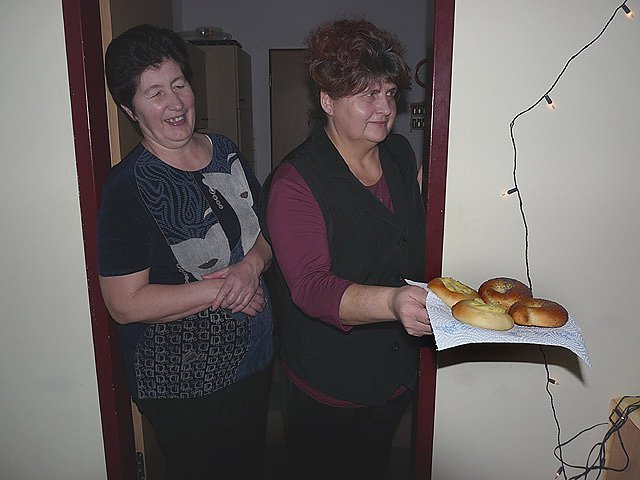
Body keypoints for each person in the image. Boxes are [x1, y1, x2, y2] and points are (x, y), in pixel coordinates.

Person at [97, 24, 273, 479]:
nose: (174, 103)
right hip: (182, 380)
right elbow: (124, 303)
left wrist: (250, 267)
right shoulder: (127, 187)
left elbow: (265, 235)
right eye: (154, 93)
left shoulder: (226, 151)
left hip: (253, 357)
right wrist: (224, 290)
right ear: (130, 109)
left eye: (179, 84)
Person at [261, 18, 432, 480]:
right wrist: (393, 302)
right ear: (327, 100)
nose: (384, 107)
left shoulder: (400, 154)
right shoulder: (296, 181)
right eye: (367, 95)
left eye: (389, 93)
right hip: (329, 383)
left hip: (393, 370)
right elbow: (310, 287)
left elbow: (408, 234)